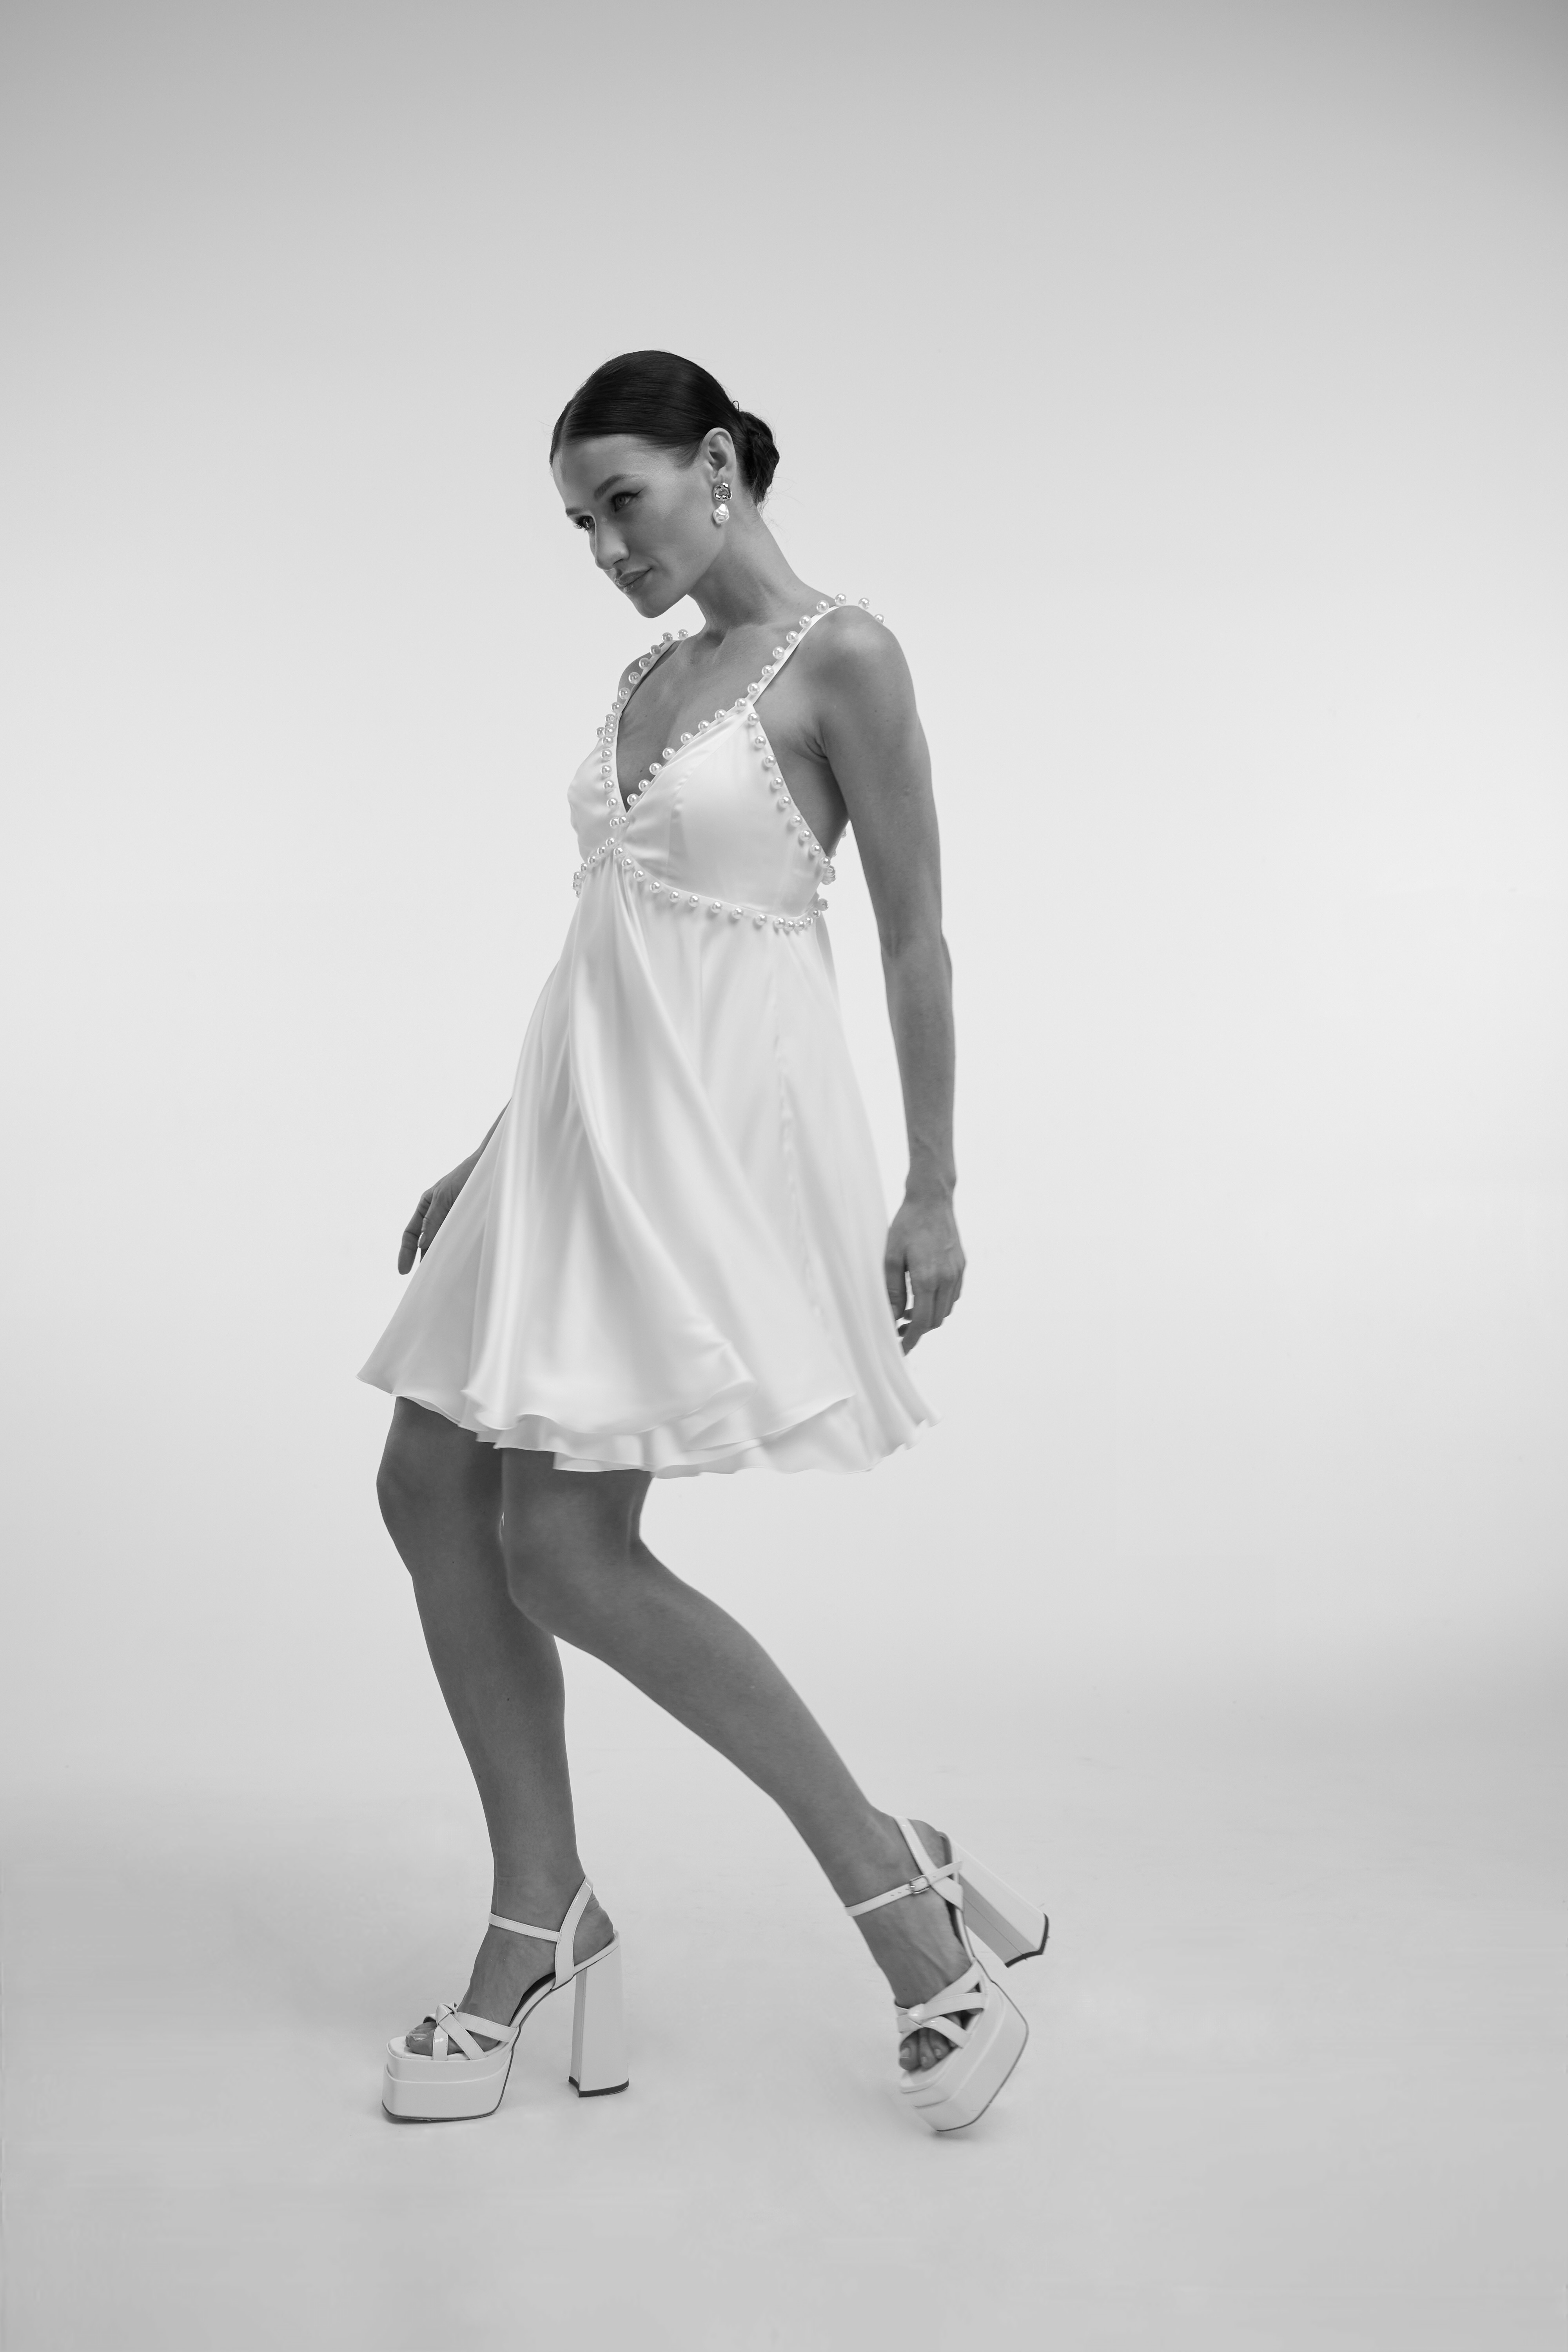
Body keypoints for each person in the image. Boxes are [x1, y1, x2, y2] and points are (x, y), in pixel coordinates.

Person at [361, 351, 1046, 2135]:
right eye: (578, 523)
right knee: (427, 1487)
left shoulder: (844, 658)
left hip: (697, 1147)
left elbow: (914, 938)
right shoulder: (646, 678)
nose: (605, 547)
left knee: (566, 1550)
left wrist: (935, 1184)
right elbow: (610, 950)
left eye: (625, 501)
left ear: (720, 462)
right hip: (568, 1129)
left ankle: (901, 1916)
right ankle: (545, 1907)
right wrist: (493, 1146)